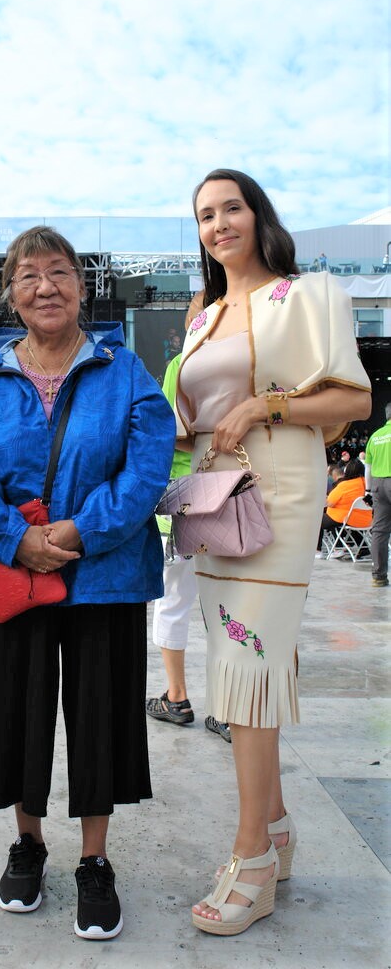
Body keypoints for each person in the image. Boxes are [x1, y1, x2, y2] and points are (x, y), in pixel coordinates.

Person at [0, 225, 174, 941]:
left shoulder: (124, 368)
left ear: (81, 285)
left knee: (99, 713)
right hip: (11, 575)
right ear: (10, 294)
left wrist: (76, 534)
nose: (45, 287)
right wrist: (17, 539)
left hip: (103, 574)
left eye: (59, 272)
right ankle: (28, 842)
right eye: (28, 276)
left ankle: (94, 860)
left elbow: (147, 465)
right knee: (18, 707)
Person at [173, 169, 370, 936]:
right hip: (216, 503)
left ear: (256, 215)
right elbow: (188, 415)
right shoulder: (201, 313)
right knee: (239, 670)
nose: (217, 223)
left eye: (230, 208)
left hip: (281, 491)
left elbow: (352, 400)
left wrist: (269, 402)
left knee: (248, 670)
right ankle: (277, 829)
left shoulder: (307, 295)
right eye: (203, 215)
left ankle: (251, 858)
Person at [146, 294, 231, 743]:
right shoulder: (246, 363)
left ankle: (177, 696)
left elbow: (170, 436)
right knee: (226, 605)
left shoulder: (184, 364)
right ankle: (227, 707)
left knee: (175, 601)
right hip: (231, 499)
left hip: (184, 502)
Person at [316, 457, 371, 557]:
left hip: (346, 518)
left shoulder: (345, 485)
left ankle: (318, 550)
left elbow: (330, 502)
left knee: (316, 520)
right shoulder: (367, 483)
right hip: (366, 519)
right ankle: (363, 548)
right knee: (340, 521)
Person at [364, 401, 391, 587]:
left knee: (380, 531)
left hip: (378, 486)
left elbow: (368, 467)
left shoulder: (375, 436)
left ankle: (378, 576)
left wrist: (367, 490)